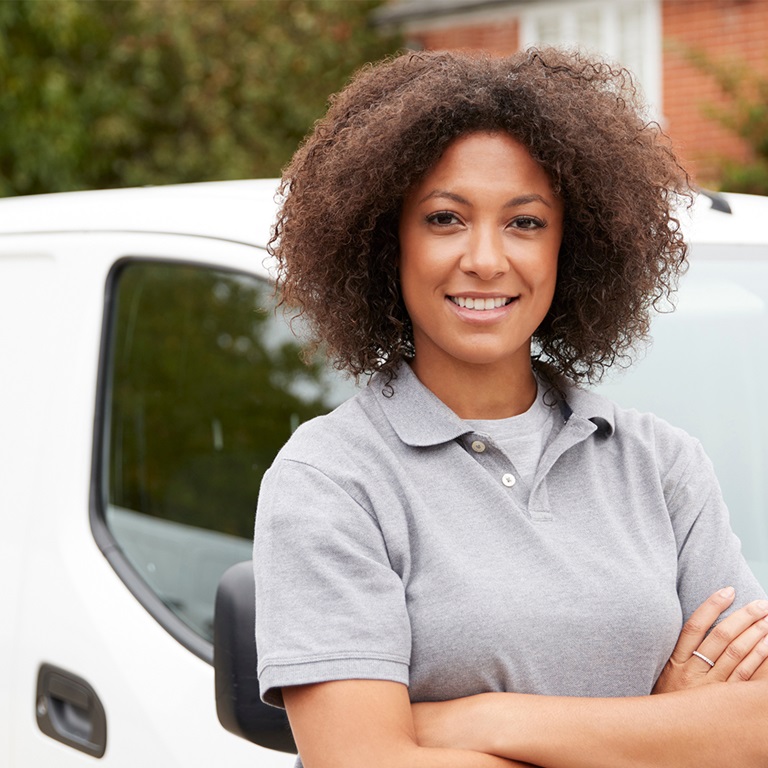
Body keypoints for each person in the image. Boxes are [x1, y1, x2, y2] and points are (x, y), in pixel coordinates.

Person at [253, 48, 768, 767]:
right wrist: (667, 727)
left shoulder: (660, 464)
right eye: (444, 219)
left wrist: (482, 720)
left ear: (573, 243)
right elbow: (366, 761)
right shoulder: (331, 478)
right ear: (385, 240)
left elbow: (756, 729)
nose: (487, 259)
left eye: (525, 222)